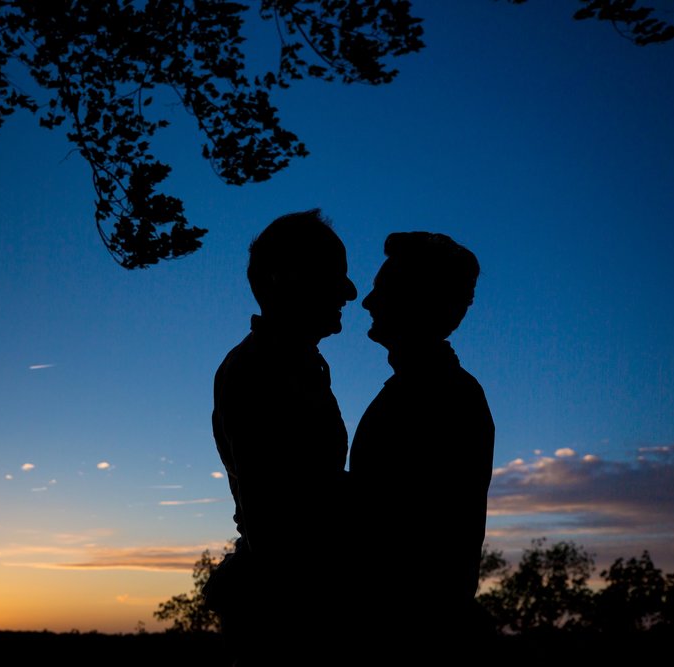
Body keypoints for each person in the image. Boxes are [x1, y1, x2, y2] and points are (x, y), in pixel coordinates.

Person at [206, 209, 356, 663]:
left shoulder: (293, 364)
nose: (349, 291)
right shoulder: (259, 370)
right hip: (287, 620)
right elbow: (279, 517)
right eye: (334, 275)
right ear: (283, 279)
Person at [347, 232, 495, 651]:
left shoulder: (441, 396)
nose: (368, 302)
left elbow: (399, 524)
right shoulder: (420, 390)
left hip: (410, 639)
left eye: (383, 290)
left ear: (418, 301)